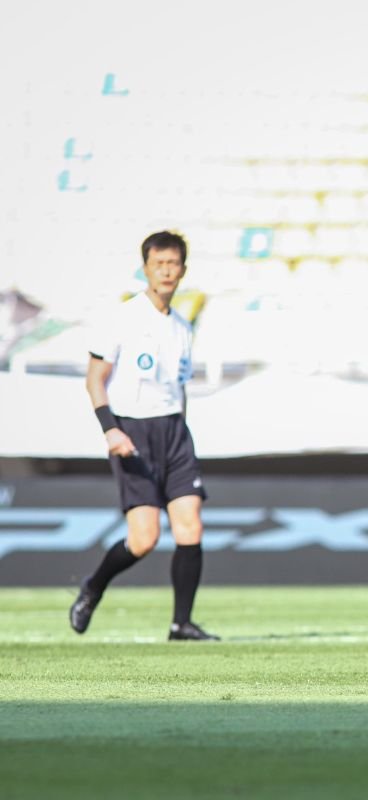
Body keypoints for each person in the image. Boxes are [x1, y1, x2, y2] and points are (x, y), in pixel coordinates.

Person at [70, 231, 218, 641]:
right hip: (132, 431)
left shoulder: (183, 327)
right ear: (146, 268)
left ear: (183, 270)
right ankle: (93, 587)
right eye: (160, 264)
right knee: (144, 538)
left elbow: (179, 387)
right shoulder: (122, 318)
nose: (167, 271)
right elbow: (95, 380)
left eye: (174, 264)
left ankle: (180, 624)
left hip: (173, 431)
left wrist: (182, 431)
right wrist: (111, 429)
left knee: (191, 526)